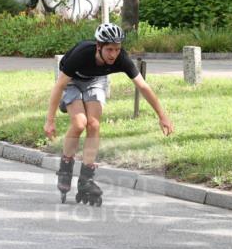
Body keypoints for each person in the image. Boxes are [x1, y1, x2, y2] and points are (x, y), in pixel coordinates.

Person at [45, 22, 174, 205]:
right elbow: (59, 86)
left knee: (94, 124)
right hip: (72, 81)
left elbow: (143, 87)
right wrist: (50, 121)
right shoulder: (82, 54)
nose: (114, 54)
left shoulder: (121, 58)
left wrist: (163, 116)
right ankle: (66, 167)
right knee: (79, 123)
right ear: (99, 46)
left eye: (117, 49)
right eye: (110, 50)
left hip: (96, 81)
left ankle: (86, 179)